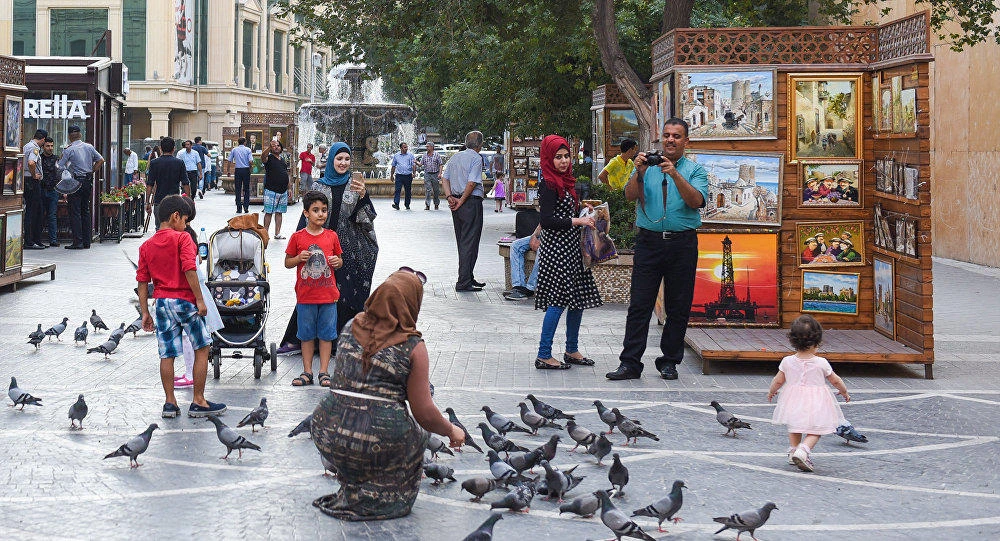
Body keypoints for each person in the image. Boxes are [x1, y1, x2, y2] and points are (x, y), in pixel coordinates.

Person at [311, 270, 465, 521]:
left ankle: (353, 486)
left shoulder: (351, 325)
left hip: (327, 430)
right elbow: (424, 413)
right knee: (416, 436)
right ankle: (385, 498)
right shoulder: (412, 346)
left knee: (360, 437)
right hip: (374, 440)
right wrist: (451, 430)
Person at [607, 118, 708, 381]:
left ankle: (669, 362)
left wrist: (674, 174)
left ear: (686, 141)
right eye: (666, 135)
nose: (670, 140)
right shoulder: (647, 166)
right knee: (639, 304)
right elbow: (629, 196)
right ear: (661, 138)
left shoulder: (695, 170)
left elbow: (696, 201)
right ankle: (630, 363)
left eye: (676, 136)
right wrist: (638, 172)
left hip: (682, 243)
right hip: (649, 242)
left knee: (678, 305)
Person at [275, 142, 379, 357]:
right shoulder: (319, 187)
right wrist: (301, 244)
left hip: (349, 248)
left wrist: (363, 196)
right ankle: (299, 339)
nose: (343, 163)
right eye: (339, 159)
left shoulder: (355, 185)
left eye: (347, 159)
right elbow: (307, 215)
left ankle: (344, 341)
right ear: (331, 160)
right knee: (315, 289)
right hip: (321, 246)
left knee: (347, 292)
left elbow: (367, 218)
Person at [136, 195, 226, 419]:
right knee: (202, 347)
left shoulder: (146, 246)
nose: (186, 225)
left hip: (162, 304)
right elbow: (189, 269)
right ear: (175, 216)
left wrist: (145, 312)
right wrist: (200, 299)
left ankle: (170, 402)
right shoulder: (182, 238)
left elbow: (142, 281)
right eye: (185, 220)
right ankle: (199, 400)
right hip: (185, 301)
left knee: (167, 354)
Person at [531, 135, 602, 370]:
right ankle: (544, 354)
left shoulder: (566, 181)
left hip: (572, 249)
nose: (563, 161)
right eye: (557, 157)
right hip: (557, 251)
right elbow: (547, 220)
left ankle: (572, 349)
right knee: (558, 301)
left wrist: (583, 209)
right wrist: (577, 221)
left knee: (577, 300)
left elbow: (563, 212)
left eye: (566, 156)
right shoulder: (549, 184)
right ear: (548, 159)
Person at [768, 315, 851, 472]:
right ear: (816, 342)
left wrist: (772, 391)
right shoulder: (821, 362)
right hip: (817, 402)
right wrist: (844, 391)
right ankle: (803, 450)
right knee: (816, 429)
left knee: (794, 425)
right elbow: (835, 380)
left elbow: (778, 381)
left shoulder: (787, 361)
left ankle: (793, 451)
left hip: (793, 400)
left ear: (793, 341)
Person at [285, 191, 344, 388]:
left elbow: (340, 261)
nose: (320, 214)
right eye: (316, 210)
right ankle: (307, 371)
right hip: (306, 296)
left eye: (324, 210)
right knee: (306, 335)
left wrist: (337, 262)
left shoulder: (332, 236)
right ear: (306, 213)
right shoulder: (297, 237)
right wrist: (298, 258)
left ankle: (324, 372)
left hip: (328, 296)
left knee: (327, 335)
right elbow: (287, 262)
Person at [175, 199, 224, 389]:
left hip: (192, 290)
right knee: (189, 335)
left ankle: (191, 374)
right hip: (193, 290)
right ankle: (190, 372)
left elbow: (190, 268)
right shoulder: (190, 234)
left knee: (189, 336)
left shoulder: (185, 236)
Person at [441, 131, 487, 292]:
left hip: (457, 202)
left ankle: (467, 276)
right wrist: (461, 200)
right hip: (470, 202)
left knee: (463, 241)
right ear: (480, 145)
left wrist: (449, 196)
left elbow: (444, 178)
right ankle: (463, 281)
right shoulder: (476, 158)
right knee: (470, 241)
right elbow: (472, 182)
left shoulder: (455, 157)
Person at [58, 125, 104, 250]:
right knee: (85, 210)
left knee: (75, 211)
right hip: (87, 181)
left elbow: (60, 166)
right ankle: (87, 241)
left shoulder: (69, 150)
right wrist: (91, 171)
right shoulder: (89, 147)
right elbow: (101, 160)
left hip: (76, 182)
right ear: (80, 135)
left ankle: (78, 242)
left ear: (69, 136)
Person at [145, 137, 189, 230]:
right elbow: (185, 183)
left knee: (160, 228)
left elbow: (150, 184)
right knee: (175, 229)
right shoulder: (179, 163)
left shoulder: (154, 163)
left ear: (161, 148)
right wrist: (189, 201)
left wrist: (147, 202)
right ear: (174, 149)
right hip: (175, 202)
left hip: (159, 201)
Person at [22, 129, 47, 250]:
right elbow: (31, 163)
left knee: (32, 210)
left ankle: (32, 239)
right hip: (32, 182)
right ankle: (30, 241)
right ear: (43, 139)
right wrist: (33, 175)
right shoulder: (34, 148)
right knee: (34, 211)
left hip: (25, 180)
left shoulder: (26, 146)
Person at [261, 139, 290, 239]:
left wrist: (289, 188)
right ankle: (265, 234)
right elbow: (263, 156)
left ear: (281, 148)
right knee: (268, 212)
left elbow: (286, 174)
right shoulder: (268, 158)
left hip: (283, 190)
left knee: (279, 212)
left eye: (278, 145)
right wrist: (269, 147)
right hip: (271, 190)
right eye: (274, 146)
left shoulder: (282, 159)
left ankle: (277, 233)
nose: (276, 147)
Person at [504, 225, 541, 300]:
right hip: (543, 235)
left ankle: (530, 288)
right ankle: (519, 286)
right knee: (515, 245)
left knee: (543, 251)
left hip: (557, 239)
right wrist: (534, 236)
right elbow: (543, 223)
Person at [39, 137, 61, 247]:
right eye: (48, 146)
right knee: (40, 215)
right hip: (41, 189)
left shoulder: (57, 159)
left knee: (52, 215)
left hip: (53, 190)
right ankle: (37, 239)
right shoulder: (39, 158)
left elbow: (60, 173)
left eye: (52, 146)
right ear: (43, 147)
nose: (50, 148)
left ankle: (53, 240)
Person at [228, 137, 253, 213]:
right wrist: (250, 169)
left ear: (238, 142)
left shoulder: (234, 150)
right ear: (245, 142)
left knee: (238, 189)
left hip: (238, 170)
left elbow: (229, 160)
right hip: (246, 170)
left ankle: (239, 208)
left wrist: (228, 171)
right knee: (246, 189)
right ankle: (246, 206)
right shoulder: (248, 150)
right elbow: (251, 161)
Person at [390, 142, 415, 210]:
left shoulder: (410, 155)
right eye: (404, 147)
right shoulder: (396, 155)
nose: (406, 148)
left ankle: (407, 204)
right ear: (401, 148)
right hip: (399, 176)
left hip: (408, 176)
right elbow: (393, 166)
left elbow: (413, 165)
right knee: (397, 190)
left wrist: (414, 173)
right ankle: (396, 204)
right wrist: (391, 175)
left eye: (406, 147)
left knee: (408, 191)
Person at [418, 142, 443, 210]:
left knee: (436, 190)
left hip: (435, 174)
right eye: (426, 146)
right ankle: (427, 205)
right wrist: (416, 162)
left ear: (432, 147)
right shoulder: (424, 155)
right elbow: (420, 164)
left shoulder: (437, 155)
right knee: (428, 190)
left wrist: (440, 173)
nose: (426, 148)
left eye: (428, 146)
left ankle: (436, 204)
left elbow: (441, 164)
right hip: (427, 174)